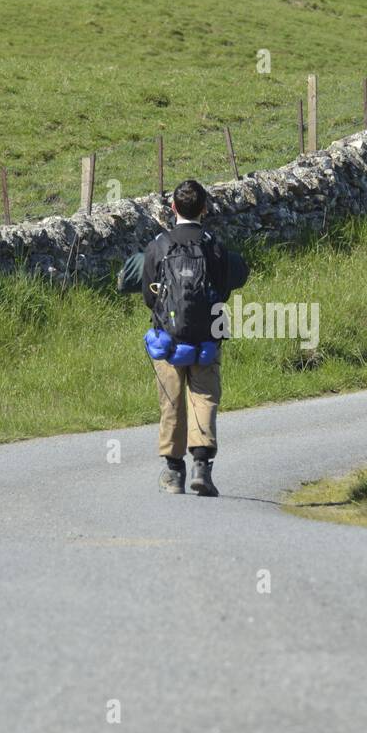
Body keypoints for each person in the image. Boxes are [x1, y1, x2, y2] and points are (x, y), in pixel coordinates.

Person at [141, 180, 231, 496]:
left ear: (173, 208)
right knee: (204, 397)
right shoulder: (213, 245)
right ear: (204, 208)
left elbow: (149, 295)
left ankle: (173, 472)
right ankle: (202, 467)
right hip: (207, 338)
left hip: (168, 339)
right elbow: (229, 284)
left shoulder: (159, 245)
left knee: (172, 400)